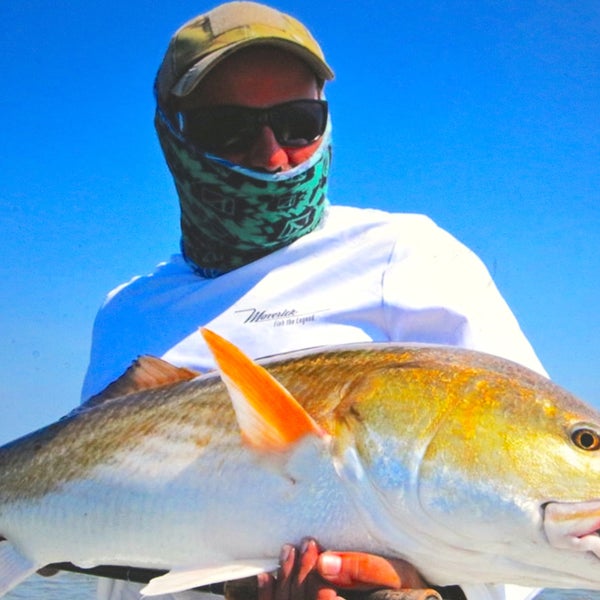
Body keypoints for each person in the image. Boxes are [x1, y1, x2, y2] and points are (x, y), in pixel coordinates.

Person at [81, 3, 545, 600]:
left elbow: (525, 510)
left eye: (298, 123)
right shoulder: (126, 310)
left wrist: (425, 590)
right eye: (226, 128)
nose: (273, 156)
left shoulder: (405, 256)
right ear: (172, 136)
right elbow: (80, 509)